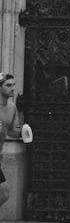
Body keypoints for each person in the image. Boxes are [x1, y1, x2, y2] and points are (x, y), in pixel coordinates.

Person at [0, 70, 23, 211]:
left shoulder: (12, 108)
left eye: (13, 85)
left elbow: (13, 132)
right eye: (8, 85)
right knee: (4, 192)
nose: (13, 88)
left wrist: (24, 129)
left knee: (4, 194)